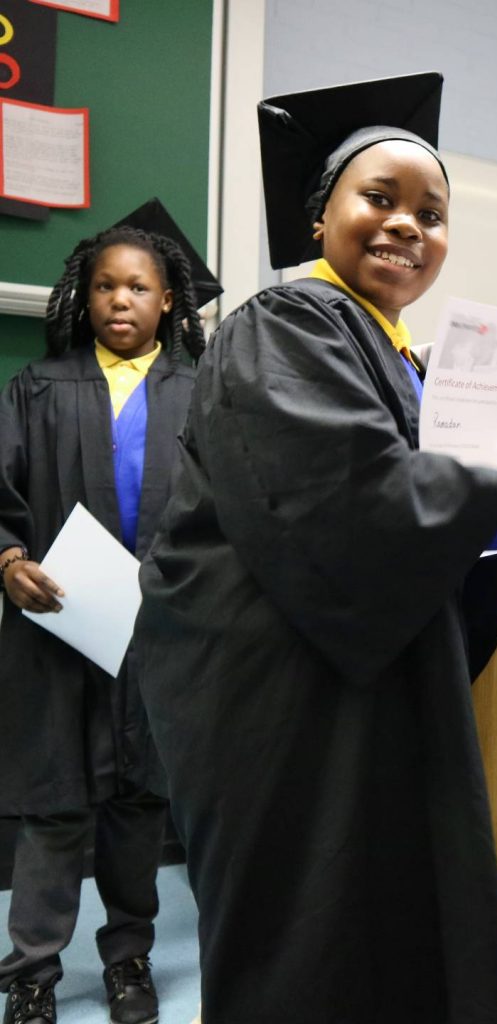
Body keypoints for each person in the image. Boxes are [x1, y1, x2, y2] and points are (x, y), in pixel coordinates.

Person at [135, 72, 497, 1024]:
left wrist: (492, 486)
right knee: (310, 954)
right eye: (380, 198)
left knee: (390, 936)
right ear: (318, 217)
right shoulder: (283, 324)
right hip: (282, 707)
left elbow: (413, 512)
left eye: (433, 213)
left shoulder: (399, 358)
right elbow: (352, 502)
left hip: (362, 695)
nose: (408, 224)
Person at [0, 199, 218, 1024]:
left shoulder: (201, 395)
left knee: (139, 806)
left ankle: (128, 959)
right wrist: (8, 561)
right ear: (83, 296)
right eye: (104, 286)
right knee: (54, 806)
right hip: (59, 627)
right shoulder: (38, 388)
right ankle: (32, 972)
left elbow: (229, 515)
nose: (120, 299)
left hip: (160, 636)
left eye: (138, 287)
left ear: (169, 301)